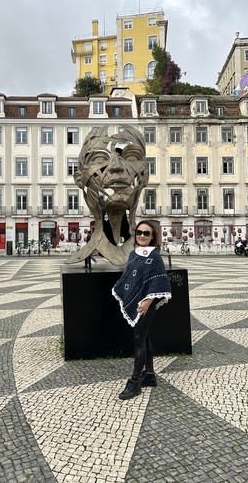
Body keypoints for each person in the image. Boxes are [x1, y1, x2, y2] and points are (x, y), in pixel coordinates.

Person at [66, 125, 149, 266]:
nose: (117, 166)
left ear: (146, 177)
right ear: (79, 180)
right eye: (99, 159)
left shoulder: (152, 254)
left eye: (132, 157)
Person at [112, 220, 172, 400]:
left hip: (147, 303)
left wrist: (148, 301)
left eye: (147, 233)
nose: (142, 236)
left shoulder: (154, 256)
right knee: (144, 338)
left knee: (138, 339)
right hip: (138, 301)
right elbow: (130, 277)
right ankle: (150, 375)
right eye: (139, 232)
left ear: (152, 236)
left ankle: (135, 382)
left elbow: (160, 282)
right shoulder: (132, 254)